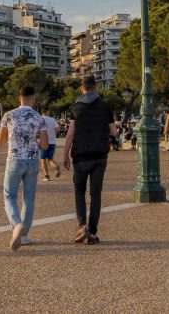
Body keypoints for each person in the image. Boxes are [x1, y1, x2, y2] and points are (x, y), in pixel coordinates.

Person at [62, 75, 116, 245]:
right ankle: (92, 232)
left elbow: (70, 133)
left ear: (81, 88)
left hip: (81, 156)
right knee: (96, 194)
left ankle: (81, 227)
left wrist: (65, 154)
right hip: (100, 156)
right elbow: (113, 131)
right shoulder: (105, 106)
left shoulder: (76, 107)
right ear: (96, 88)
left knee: (79, 191)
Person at [0, 84, 48, 251]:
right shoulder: (38, 118)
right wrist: (34, 142)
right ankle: (24, 235)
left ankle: (16, 224)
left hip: (14, 159)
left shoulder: (9, 115)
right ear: (33, 99)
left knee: (9, 195)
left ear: (19, 98)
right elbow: (45, 145)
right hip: (32, 160)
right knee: (29, 199)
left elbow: (0, 141)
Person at [40, 106, 61, 181]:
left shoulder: (40, 119)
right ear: (47, 111)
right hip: (52, 142)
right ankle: (56, 166)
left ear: (42, 112)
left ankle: (46, 176)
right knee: (49, 160)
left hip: (43, 142)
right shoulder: (52, 119)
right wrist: (53, 134)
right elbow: (58, 129)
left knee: (43, 159)